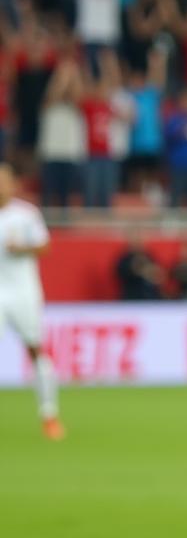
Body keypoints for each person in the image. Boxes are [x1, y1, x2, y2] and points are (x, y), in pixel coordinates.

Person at [0, 163, 64, 439]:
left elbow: (45, 246)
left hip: (25, 292)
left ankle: (49, 413)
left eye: (4, 180)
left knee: (35, 348)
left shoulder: (26, 214)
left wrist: (21, 248)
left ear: (13, 184)